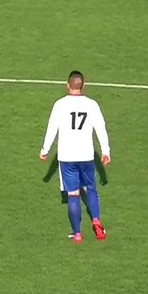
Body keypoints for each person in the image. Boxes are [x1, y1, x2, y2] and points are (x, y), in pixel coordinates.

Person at [39, 71, 110, 244]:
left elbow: (52, 129)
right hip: (86, 155)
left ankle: (77, 233)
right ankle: (96, 221)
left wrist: (44, 150)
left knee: (73, 194)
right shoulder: (92, 105)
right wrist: (106, 151)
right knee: (90, 188)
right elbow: (101, 128)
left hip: (67, 156)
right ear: (83, 86)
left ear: (67, 85)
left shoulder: (60, 105)